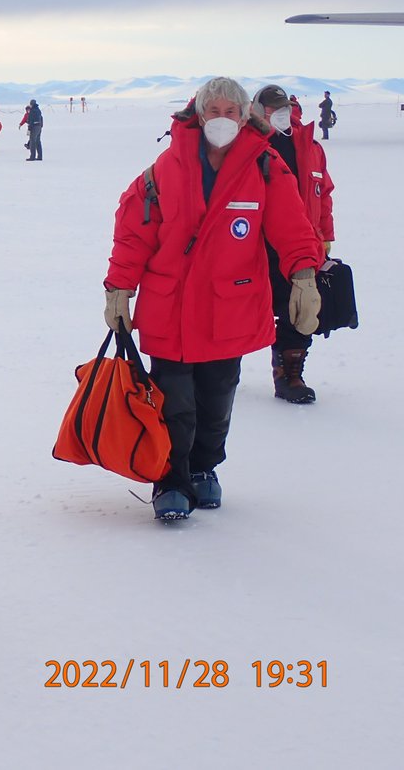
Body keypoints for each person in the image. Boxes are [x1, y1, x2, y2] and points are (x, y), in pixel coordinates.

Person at [103, 77, 322, 521]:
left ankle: (204, 469)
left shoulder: (266, 166)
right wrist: (119, 289)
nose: (222, 119)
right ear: (199, 115)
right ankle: (171, 478)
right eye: (214, 111)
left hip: (230, 309)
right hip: (172, 308)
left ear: (245, 117)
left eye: (231, 111)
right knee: (174, 401)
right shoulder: (167, 167)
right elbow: (134, 232)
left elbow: (292, 227)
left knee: (217, 398)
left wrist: (304, 277)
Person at [252, 84, 335, 403]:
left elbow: (323, 193)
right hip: (252, 245)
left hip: (299, 245)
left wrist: (325, 236)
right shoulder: (245, 143)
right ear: (258, 110)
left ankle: (289, 373)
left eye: (282, 107)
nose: (278, 114)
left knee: (300, 310)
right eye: (270, 108)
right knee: (230, 308)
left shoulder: (309, 146)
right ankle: (214, 371)